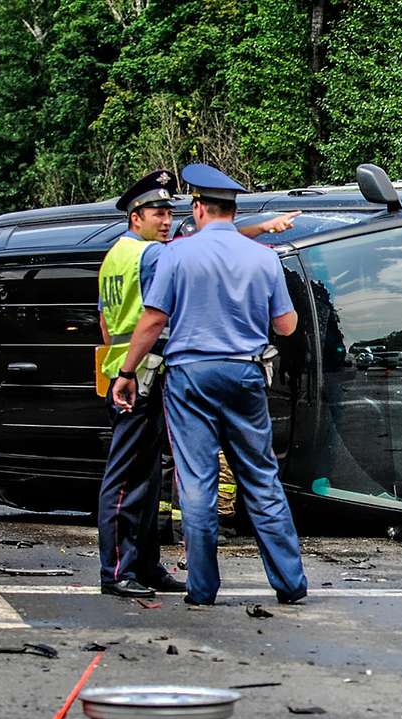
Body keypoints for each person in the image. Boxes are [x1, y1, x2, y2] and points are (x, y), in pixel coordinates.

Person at [112, 163, 308, 605]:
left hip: (191, 378)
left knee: (196, 482)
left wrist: (127, 373)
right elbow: (287, 324)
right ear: (232, 211)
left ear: (198, 208)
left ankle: (202, 588)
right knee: (260, 477)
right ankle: (290, 583)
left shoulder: (176, 255)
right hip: (245, 374)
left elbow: (154, 318)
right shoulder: (264, 258)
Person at [95, 170, 187, 598]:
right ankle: (116, 571)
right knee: (127, 478)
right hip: (139, 376)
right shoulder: (149, 256)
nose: (166, 220)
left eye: (169, 212)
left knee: (147, 479)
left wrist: (119, 366)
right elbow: (153, 318)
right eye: (158, 213)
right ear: (136, 217)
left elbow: (104, 321)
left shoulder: (115, 255)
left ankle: (145, 566)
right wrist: (130, 371)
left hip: (124, 371)